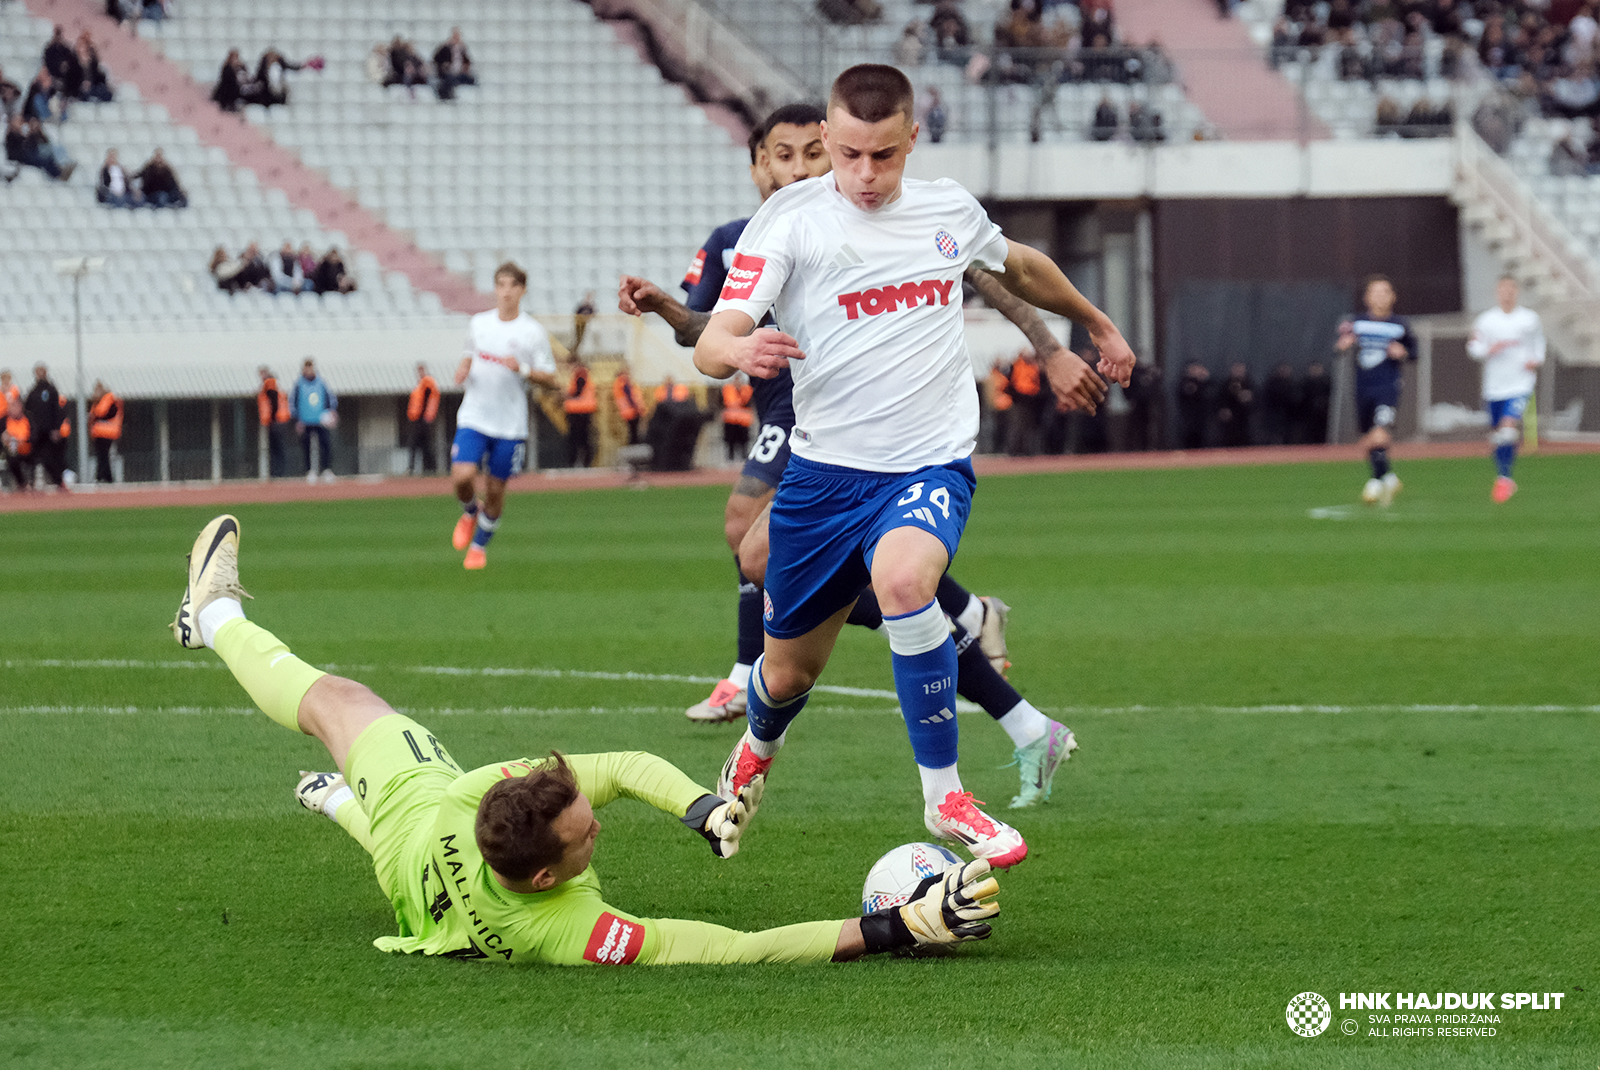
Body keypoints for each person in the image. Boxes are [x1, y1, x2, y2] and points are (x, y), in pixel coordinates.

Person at [167, 515, 1002, 964]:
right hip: (417, 880)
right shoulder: (559, 931)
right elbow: (734, 948)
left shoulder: (479, 797)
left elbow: (621, 769)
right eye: (584, 833)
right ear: (545, 877)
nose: (597, 821)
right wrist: (901, 929)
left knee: (334, 707)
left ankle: (216, 619)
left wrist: (703, 807)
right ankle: (315, 763)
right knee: (351, 739)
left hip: (414, 835)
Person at [692, 65, 1134, 860]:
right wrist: (737, 348)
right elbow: (716, 336)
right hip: (824, 479)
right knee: (787, 674)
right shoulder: (789, 223)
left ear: (911, 141)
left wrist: (1096, 324)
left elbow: (1018, 267)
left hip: (928, 463)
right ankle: (758, 746)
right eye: (852, 154)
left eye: (885, 156)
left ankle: (946, 797)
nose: (866, 174)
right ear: (827, 140)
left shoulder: (947, 209)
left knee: (904, 584)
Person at [450, 261, 561, 570]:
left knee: (496, 489)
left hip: (509, 425)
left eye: (513, 285)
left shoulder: (532, 332)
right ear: (495, 289)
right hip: (474, 415)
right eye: (501, 285)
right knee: (462, 476)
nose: (506, 291)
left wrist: (523, 369)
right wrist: (463, 366)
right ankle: (470, 511)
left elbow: (552, 380)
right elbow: (468, 354)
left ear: (522, 290)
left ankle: (479, 547)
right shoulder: (479, 324)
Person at [1336, 275, 1415, 506]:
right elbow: (1338, 346)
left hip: (1388, 387)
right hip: (1363, 388)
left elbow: (1414, 352)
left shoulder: (1400, 325)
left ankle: (1374, 484)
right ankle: (1389, 478)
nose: (1380, 297)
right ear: (1367, 297)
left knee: (1379, 434)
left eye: (1385, 292)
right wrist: (1342, 346)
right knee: (1369, 436)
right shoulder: (1356, 323)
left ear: (1393, 297)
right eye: (1375, 292)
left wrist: (1403, 352)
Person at [1466, 276, 1545, 502]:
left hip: (1521, 382)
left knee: (1508, 427)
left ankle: (1504, 479)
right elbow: (1474, 347)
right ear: (1497, 292)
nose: (1507, 293)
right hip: (1494, 386)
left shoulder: (1530, 319)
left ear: (1517, 291)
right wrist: (1488, 349)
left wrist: (1536, 359)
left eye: (1511, 289)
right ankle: (1504, 475)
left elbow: (1539, 344)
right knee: (1498, 436)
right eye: (1503, 289)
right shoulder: (1486, 320)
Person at [290, 358, 337, 482]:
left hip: (320, 420)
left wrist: (332, 412)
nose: (309, 370)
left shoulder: (321, 382)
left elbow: (330, 398)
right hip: (305, 421)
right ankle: (310, 471)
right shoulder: (299, 384)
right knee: (306, 447)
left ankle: (326, 470)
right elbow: (293, 402)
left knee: (325, 445)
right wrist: (297, 419)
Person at [24, 363, 69, 490]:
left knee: (50, 458)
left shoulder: (51, 390)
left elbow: (56, 410)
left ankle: (58, 481)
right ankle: (31, 483)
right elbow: (27, 409)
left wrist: (55, 428)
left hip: (49, 431)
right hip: (36, 431)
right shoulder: (33, 391)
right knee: (33, 458)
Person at [406, 362, 441, 475]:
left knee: (416, 444)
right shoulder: (420, 385)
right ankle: (431, 468)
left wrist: (428, 416)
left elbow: (432, 399)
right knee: (424, 445)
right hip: (417, 419)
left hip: (423, 420)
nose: (419, 373)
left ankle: (414, 468)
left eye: (421, 370)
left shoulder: (427, 383)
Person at [562, 359, 597, 468]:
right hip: (582, 409)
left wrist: (567, 395)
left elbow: (578, 390)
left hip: (579, 410)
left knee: (578, 439)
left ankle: (578, 462)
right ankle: (584, 462)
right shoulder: (582, 373)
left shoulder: (580, 373)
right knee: (582, 438)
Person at [257, 366, 290, 477]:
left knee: (276, 449)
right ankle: (278, 472)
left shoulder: (270, 383)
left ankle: (277, 473)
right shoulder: (273, 383)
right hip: (278, 421)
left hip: (276, 422)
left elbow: (273, 401)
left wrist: (272, 418)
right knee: (277, 449)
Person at [1214, 362, 1255, 448]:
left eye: (1240, 370)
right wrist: (1223, 410)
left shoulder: (1249, 384)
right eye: (1236, 370)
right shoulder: (1226, 385)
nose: (1238, 372)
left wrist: (1247, 398)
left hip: (1244, 420)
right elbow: (1220, 400)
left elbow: (1255, 400)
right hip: (1230, 422)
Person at [88, 379, 121, 483]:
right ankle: (105, 476)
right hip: (99, 433)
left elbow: (102, 414)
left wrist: (95, 417)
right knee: (102, 455)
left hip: (107, 432)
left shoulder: (108, 400)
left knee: (103, 456)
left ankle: (103, 477)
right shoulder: (98, 402)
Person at [432, 28, 475, 100]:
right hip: (447, 73)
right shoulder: (445, 48)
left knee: (471, 79)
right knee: (449, 80)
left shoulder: (462, 49)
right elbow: (436, 59)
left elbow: (467, 61)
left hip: (459, 72)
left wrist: (465, 67)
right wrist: (444, 65)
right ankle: (446, 96)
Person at [3, 394, 34, 491]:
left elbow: (35, 435)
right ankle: (22, 484)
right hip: (13, 451)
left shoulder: (28, 418)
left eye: (16, 406)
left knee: (36, 458)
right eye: (11, 406)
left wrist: (24, 440)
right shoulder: (4, 421)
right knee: (12, 460)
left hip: (28, 450)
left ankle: (30, 484)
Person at [1176, 362, 1211, 449]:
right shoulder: (1185, 382)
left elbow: (1208, 395)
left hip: (1201, 417)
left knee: (1201, 440)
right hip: (1188, 418)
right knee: (1189, 440)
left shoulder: (1204, 383)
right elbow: (1189, 394)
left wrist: (1204, 379)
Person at [720, 374, 753, 461]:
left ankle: (744, 455)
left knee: (744, 439)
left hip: (743, 419)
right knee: (730, 439)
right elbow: (721, 402)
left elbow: (749, 402)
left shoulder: (747, 389)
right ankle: (730, 456)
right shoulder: (727, 389)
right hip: (730, 418)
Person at [612, 368, 643, 445]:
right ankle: (634, 448)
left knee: (632, 431)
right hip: (632, 410)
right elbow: (629, 396)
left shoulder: (618, 382)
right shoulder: (624, 382)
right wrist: (636, 407)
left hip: (626, 411)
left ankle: (633, 446)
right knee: (634, 432)